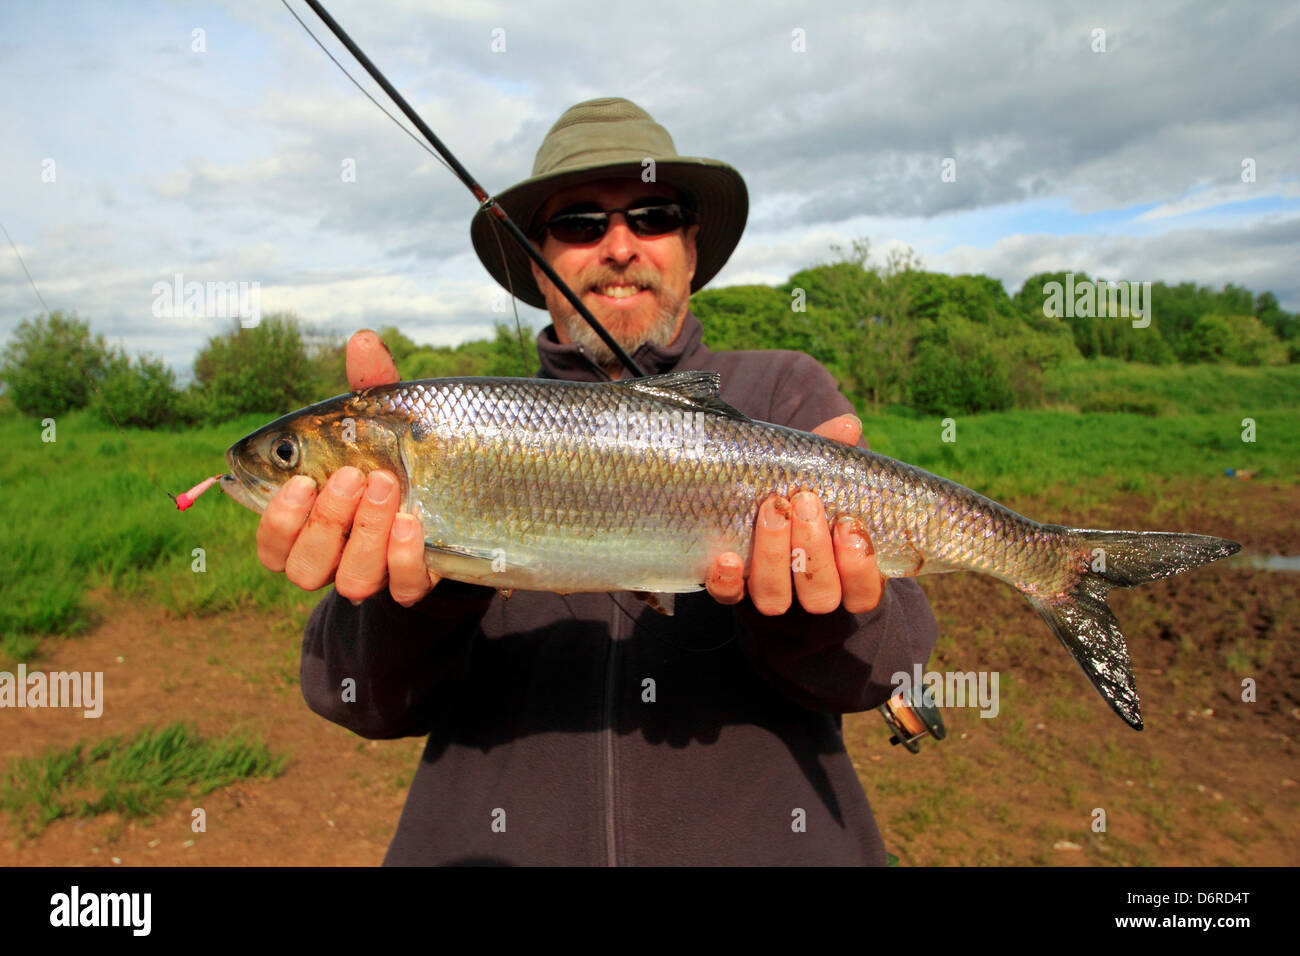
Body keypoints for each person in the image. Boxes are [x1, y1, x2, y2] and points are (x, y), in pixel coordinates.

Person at [258, 98, 940, 865]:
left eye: (652, 216)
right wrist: (419, 587)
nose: (619, 245)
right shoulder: (464, 427)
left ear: (690, 245)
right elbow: (355, 699)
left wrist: (803, 605)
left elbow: (895, 663)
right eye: (579, 224)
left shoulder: (784, 394)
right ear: (537, 256)